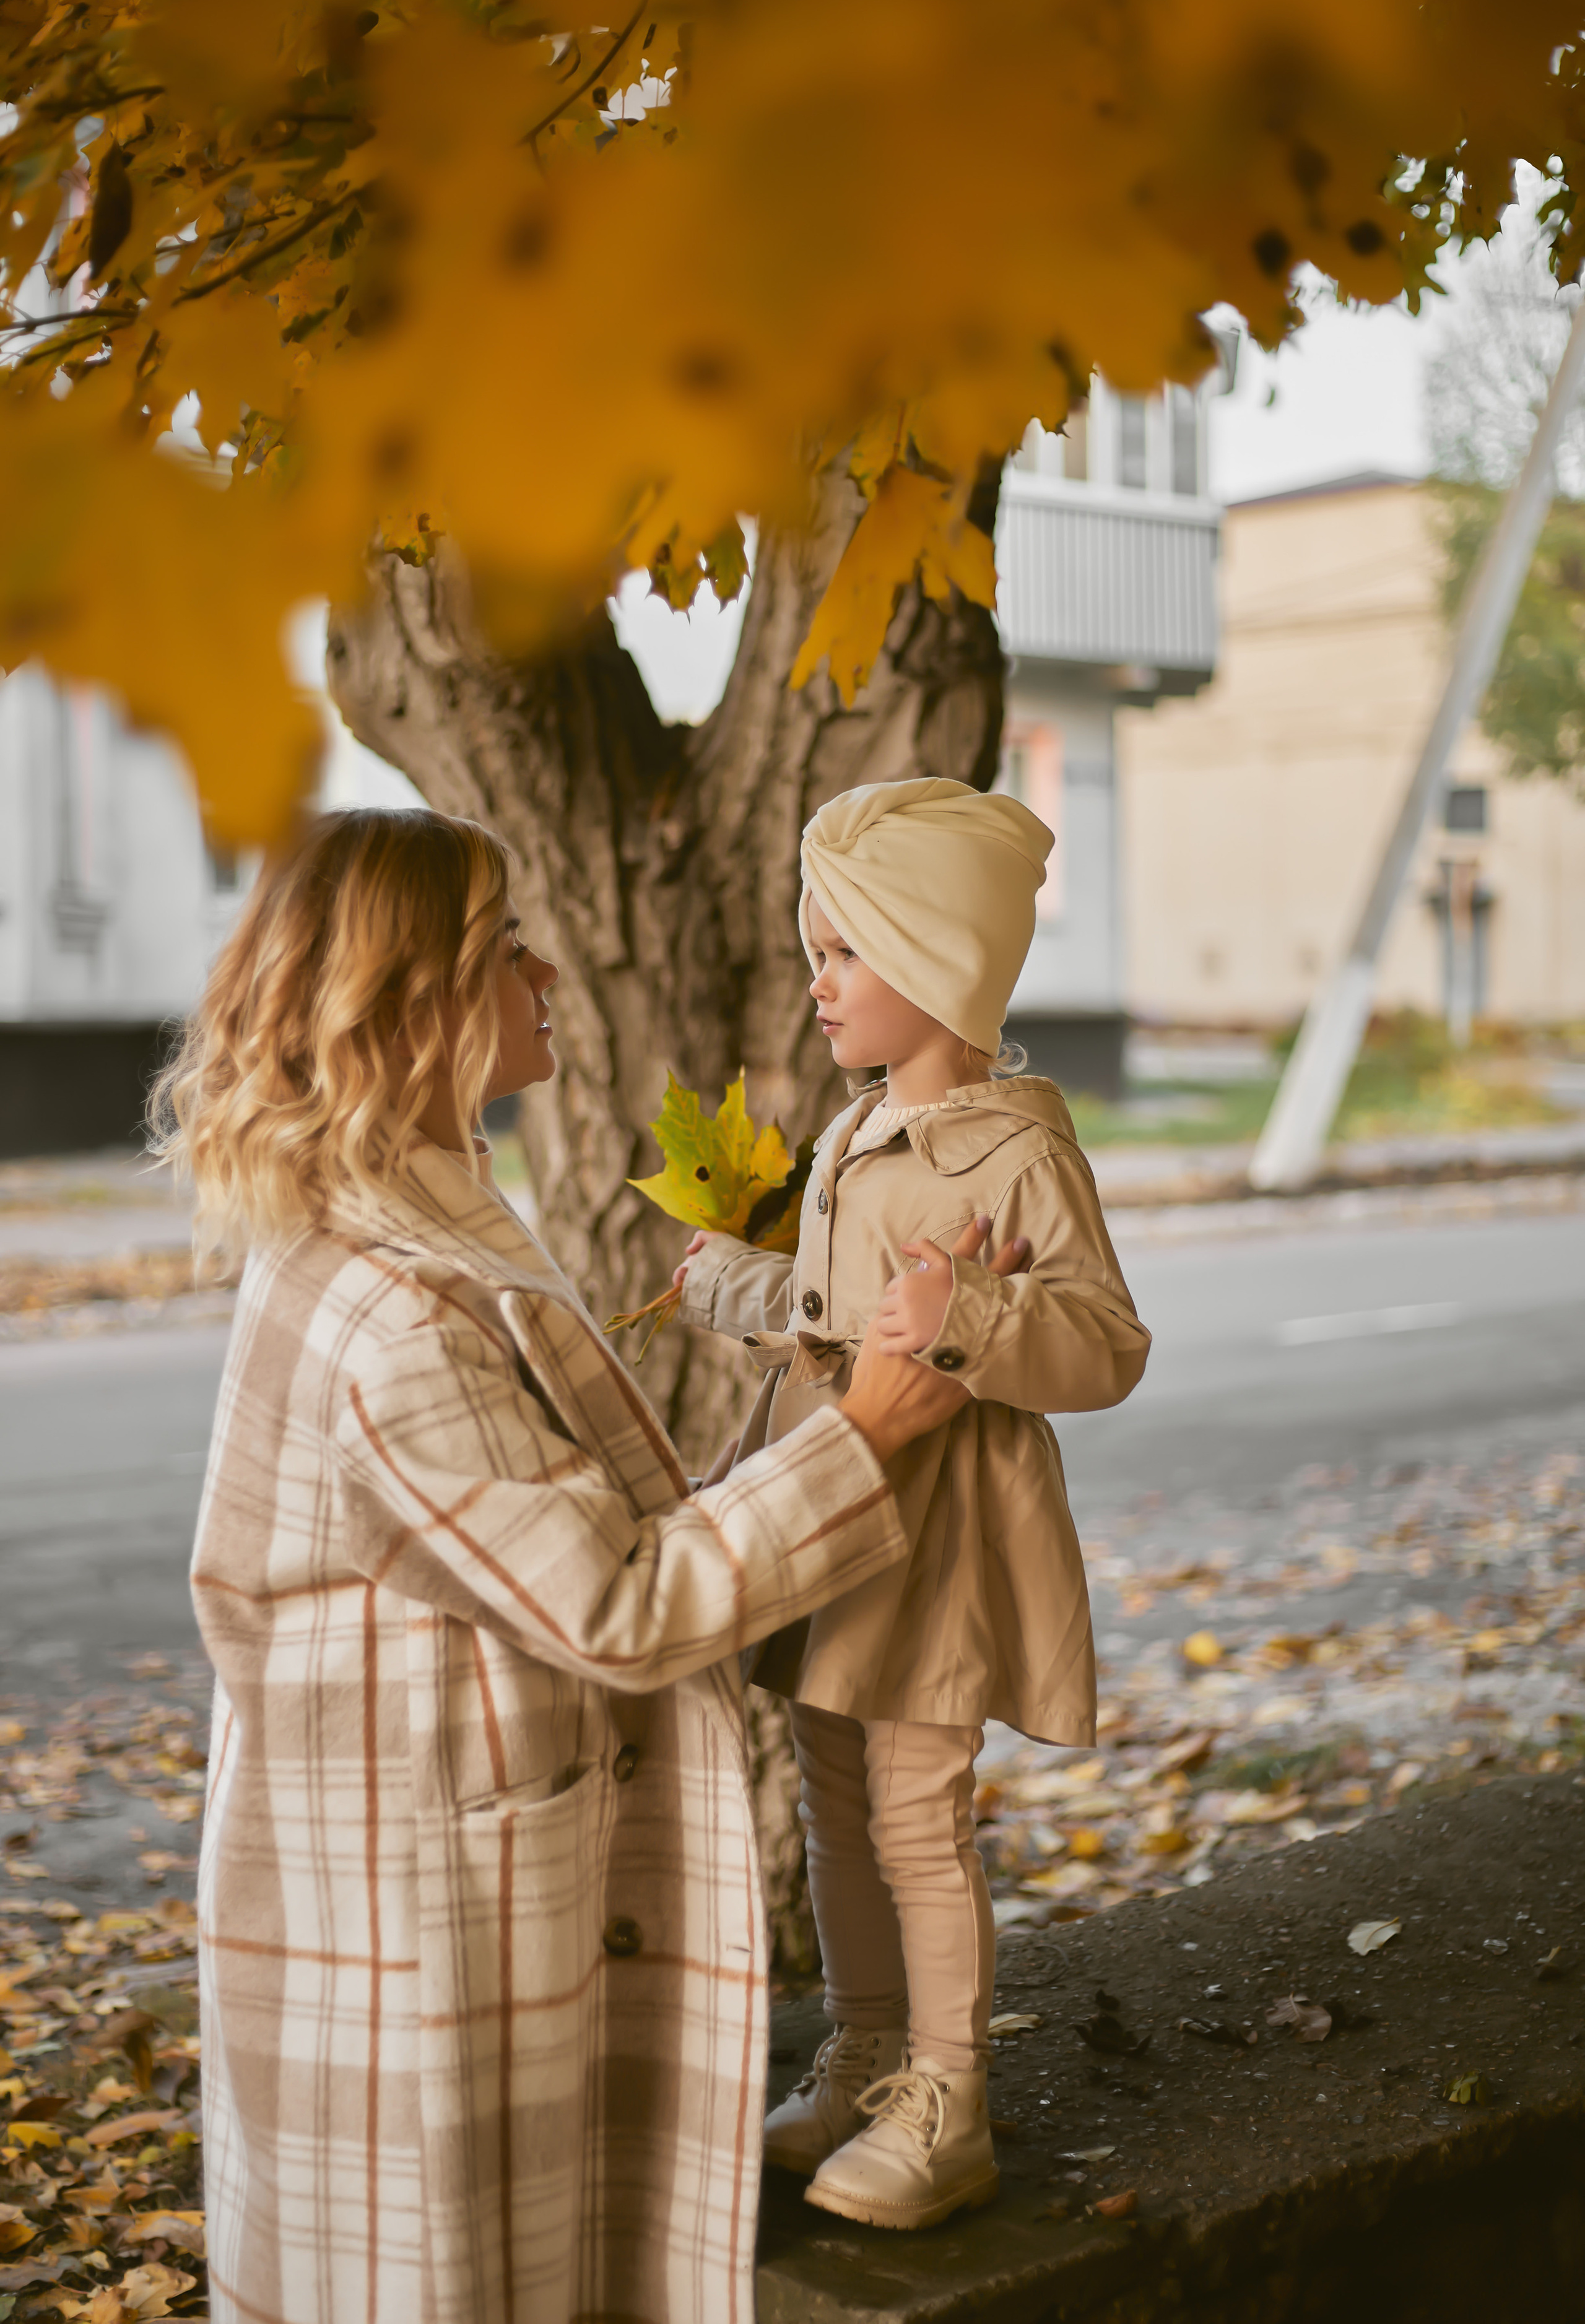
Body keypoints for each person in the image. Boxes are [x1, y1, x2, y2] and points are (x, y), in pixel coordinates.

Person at [150, 805, 983, 2324]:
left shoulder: (417, 1213)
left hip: (446, 1879)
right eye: (501, 946)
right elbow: (610, 1603)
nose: (545, 968)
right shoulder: (390, 1307)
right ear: (408, 1002)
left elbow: (550, 1536)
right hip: (417, 1938)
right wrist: (860, 1434)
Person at [674, 777, 1151, 2231]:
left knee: (914, 1809)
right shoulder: (850, 1130)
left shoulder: (1015, 1150)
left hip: (940, 1532)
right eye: (813, 954)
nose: (815, 985)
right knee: (828, 1792)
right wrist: (738, 1289)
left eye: (842, 954)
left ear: (935, 962)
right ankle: (868, 2054)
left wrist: (975, 1315)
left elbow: (1105, 1344)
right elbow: (840, 1310)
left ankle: (947, 2101)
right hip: (833, 1508)